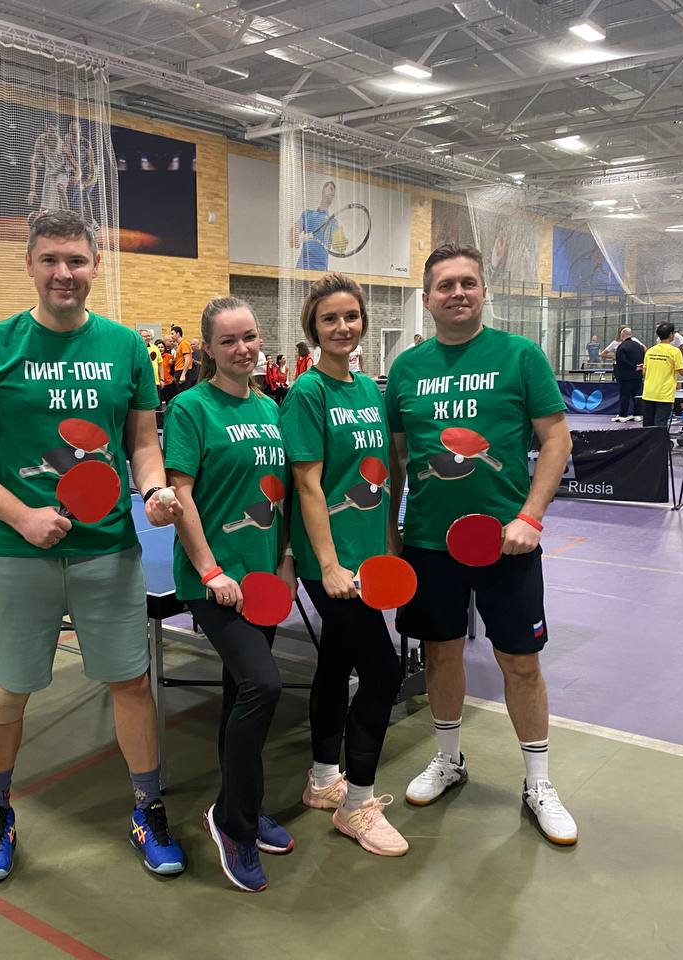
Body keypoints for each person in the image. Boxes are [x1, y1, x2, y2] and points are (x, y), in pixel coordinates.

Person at [0, 210, 187, 884]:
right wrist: (22, 517)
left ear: (95, 267)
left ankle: (148, 809)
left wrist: (154, 489)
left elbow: (142, 442)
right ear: (29, 264)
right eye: (50, 259)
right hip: (18, 553)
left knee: (130, 683)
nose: (64, 272)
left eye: (76, 260)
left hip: (109, 550)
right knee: (8, 690)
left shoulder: (126, 348)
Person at [385, 243, 579, 846]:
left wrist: (531, 517)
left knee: (520, 663)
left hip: (507, 545)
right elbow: (396, 458)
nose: (458, 293)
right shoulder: (406, 369)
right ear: (427, 298)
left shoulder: (520, 356)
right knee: (440, 655)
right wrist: (391, 533)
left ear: (483, 291)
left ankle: (539, 783)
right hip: (428, 544)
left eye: (467, 282)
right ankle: (448, 759)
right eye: (445, 285)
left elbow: (557, 440)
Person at [164, 296, 295, 892]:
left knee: (242, 689)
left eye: (250, 337)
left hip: (263, 578)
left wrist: (286, 561)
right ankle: (235, 824)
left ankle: (239, 802)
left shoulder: (270, 408)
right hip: (215, 582)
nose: (243, 349)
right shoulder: (191, 408)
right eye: (228, 341)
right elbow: (181, 495)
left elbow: (281, 494)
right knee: (264, 685)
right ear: (208, 349)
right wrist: (211, 571)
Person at [281, 273, 407, 858]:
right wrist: (329, 566)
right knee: (382, 671)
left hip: (368, 553)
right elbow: (307, 484)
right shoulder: (308, 394)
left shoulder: (367, 390)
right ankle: (356, 804)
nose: (342, 327)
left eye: (350, 316)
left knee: (335, 660)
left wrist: (391, 538)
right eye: (329, 318)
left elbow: (380, 476)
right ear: (313, 327)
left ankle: (322, 779)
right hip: (328, 559)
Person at [641, 322, 683, 429]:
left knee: (647, 426)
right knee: (660, 426)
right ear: (671, 334)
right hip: (664, 395)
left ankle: (648, 441)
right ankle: (659, 441)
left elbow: (644, 372)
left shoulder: (650, 351)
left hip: (648, 393)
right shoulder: (675, 352)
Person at [288, 181, 337, 272]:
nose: (333, 193)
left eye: (334, 192)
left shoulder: (333, 222)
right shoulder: (307, 214)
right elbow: (293, 237)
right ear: (324, 190)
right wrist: (295, 236)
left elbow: (338, 246)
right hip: (303, 268)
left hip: (321, 271)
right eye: (331, 189)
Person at [611, 328, 646, 422]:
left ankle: (623, 415)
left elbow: (621, 361)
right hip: (638, 375)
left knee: (624, 395)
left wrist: (633, 366)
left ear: (622, 336)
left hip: (625, 377)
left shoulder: (622, 347)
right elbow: (644, 357)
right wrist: (639, 366)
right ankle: (637, 414)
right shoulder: (639, 346)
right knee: (637, 395)